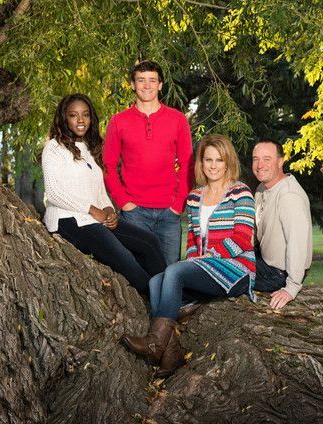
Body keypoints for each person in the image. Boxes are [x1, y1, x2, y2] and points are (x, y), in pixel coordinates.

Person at [121, 134, 256, 378]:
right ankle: (172, 352)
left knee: (174, 271)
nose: (213, 165)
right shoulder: (195, 196)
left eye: (219, 160)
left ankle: (156, 343)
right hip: (206, 267)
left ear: (228, 163)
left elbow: (243, 238)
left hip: (236, 268)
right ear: (201, 163)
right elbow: (193, 240)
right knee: (155, 281)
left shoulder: (240, 192)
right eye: (208, 160)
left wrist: (208, 258)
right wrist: (196, 259)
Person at [42, 93, 166, 294]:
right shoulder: (54, 148)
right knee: (124, 257)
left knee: (149, 242)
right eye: (74, 115)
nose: (81, 120)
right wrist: (93, 210)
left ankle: (174, 295)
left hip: (93, 218)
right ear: (64, 118)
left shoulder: (90, 149)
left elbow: (99, 190)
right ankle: (163, 303)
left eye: (86, 115)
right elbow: (54, 193)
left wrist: (108, 209)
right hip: (68, 221)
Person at [103, 60, 194, 265]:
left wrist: (178, 204)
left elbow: (188, 164)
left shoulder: (178, 120)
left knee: (169, 274)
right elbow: (108, 165)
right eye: (141, 80)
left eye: (152, 80)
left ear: (160, 85)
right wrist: (124, 203)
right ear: (133, 85)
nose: (147, 85)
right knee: (137, 276)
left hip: (169, 213)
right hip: (134, 214)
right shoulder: (118, 121)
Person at [252, 140, 312, 310]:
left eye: (267, 159)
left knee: (222, 273)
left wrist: (291, 287)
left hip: (279, 274)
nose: (259, 165)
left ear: (280, 161)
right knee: (221, 259)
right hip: (265, 261)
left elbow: (297, 242)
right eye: (256, 159)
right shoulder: (261, 189)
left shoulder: (289, 195)